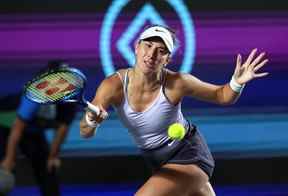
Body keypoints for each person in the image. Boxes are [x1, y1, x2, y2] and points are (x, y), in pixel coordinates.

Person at [79, 25, 269, 196]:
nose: (152, 54)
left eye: (161, 51)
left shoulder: (177, 83)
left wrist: (236, 83)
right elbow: (85, 132)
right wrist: (91, 121)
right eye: (148, 45)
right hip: (158, 162)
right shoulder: (113, 85)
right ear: (136, 47)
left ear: (167, 59)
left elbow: (222, 95)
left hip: (189, 155)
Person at [0, 61, 77, 196]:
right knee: (4, 171)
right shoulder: (34, 93)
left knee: (49, 168)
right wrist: (9, 158)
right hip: (5, 126)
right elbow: (17, 128)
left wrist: (53, 156)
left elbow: (62, 129)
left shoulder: (71, 95)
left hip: (33, 130)